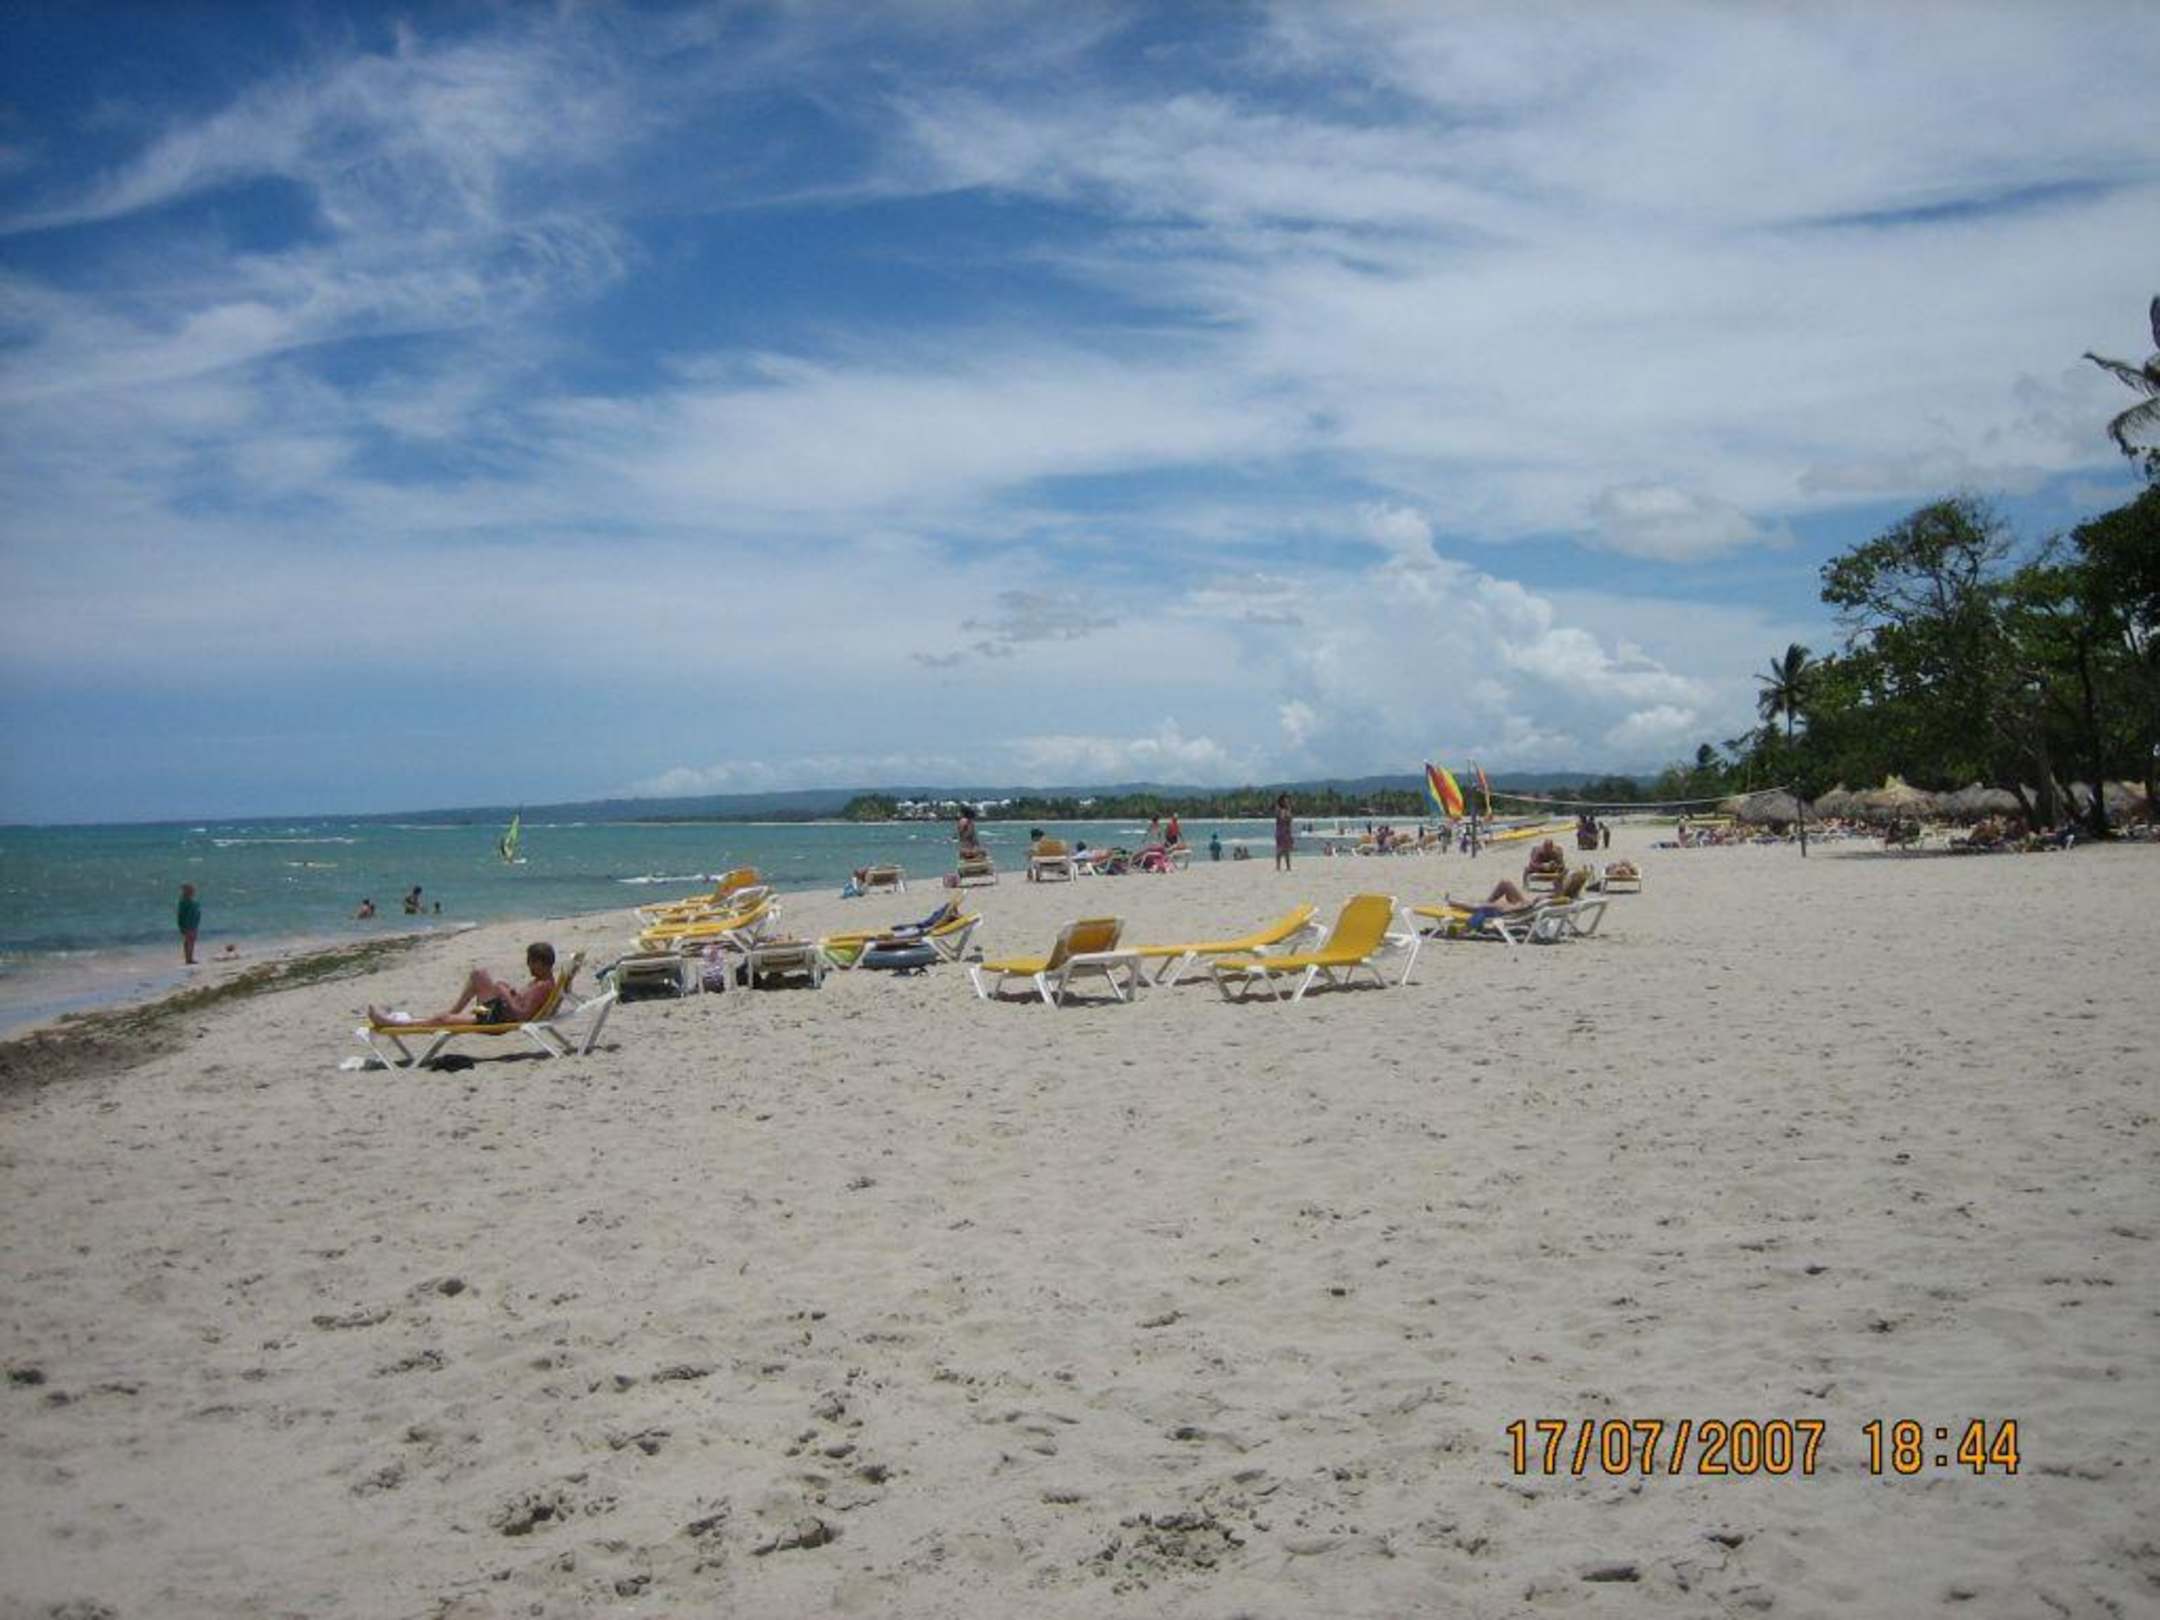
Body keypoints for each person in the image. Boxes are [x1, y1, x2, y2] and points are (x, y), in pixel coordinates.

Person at [371, 941, 558, 1029]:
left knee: (442, 1020)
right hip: (496, 1011)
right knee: (479, 975)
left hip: (496, 1018)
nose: (528, 965)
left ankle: (393, 1023)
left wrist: (504, 993)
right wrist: (511, 992)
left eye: (530, 962)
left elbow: (522, 1016)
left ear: (540, 963)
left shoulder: (542, 986)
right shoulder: (543, 982)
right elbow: (523, 1005)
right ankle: (452, 1013)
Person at [177, 883, 201, 965]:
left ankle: (190, 957)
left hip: (193, 924)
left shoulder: (191, 901)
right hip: (188, 924)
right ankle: (188, 959)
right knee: (189, 941)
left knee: (191, 941)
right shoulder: (184, 901)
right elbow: (181, 915)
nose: (193, 892)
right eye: (192, 890)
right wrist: (182, 925)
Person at [1273, 793, 1294, 872]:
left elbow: (1289, 820)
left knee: (1286, 849)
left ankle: (1288, 866)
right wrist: (1287, 813)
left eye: (1287, 800)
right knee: (1280, 849)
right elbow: (1283, 819)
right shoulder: (1279, 809)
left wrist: (1288, 811)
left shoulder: (1287, 809)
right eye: (1285, 800)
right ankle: (1278, 866)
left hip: (1286, 831)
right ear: (1282, 801)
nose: (1287, 801)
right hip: (1281, 831)